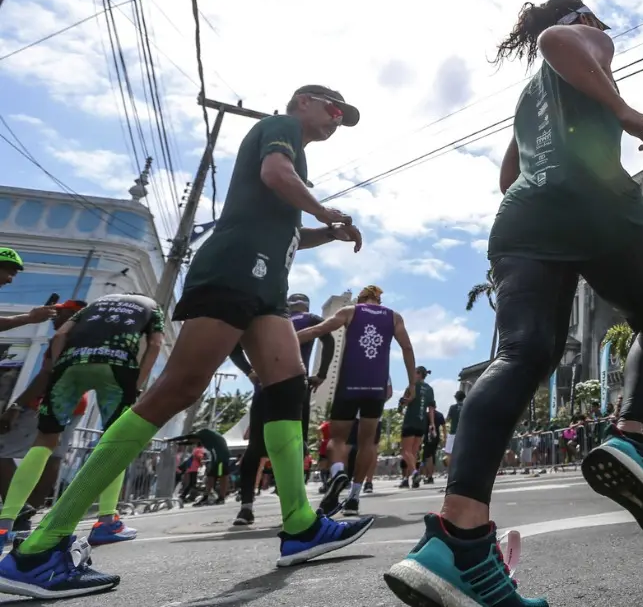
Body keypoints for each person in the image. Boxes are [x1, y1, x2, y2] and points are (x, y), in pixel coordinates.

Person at [384, 0, 643, 607]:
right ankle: (632, 436)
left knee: (524, 355)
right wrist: (626, 111)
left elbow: (509, 177)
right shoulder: (578, 35)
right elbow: (558, 40)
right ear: (587, 16)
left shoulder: (530, 97)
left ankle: (458, 541)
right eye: (599, 23)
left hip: (523, 219)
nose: (603, 32)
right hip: (596, 201)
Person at [0, 86, 373, 599]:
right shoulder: (279, 129)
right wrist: (326, 212)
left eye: (342, 118)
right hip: (235, 271)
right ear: (303, 101)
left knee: (287, 388)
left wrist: (322, 232)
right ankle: (39, 548)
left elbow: (286, 225)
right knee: (178, 388)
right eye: (332, 109)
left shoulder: (297, 164)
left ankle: (301, 524)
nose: (336, 121)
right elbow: (274, 176)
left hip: (266, 287)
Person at [0, 296, 157, 546]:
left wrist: (54, 370)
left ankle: (5, 525)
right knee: (115, 440)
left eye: (61, 311)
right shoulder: (150, 308)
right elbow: (155, 344)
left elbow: (60, 336)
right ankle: (107, 521)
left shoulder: (89, 311)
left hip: (68, 373)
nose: (56, 314)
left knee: (43, 443)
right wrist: (137, 384)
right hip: (115, 370)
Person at [231, 294, 337, 526]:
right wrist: (321, 374)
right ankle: (292, 505)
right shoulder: (310, 319)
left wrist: (250, 372)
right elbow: (329, 341)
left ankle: (246, 507)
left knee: (255, 447)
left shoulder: (267, 320)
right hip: (295, 387)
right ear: (306, 306)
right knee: (295, 444)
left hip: (264, 386)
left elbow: (234, 347)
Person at [321, 286, 414, 517]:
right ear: (379, 300)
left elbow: (323, 329)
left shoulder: (350, 311)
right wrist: (412, 385)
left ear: (361, 298)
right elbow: (407, 348)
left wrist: (294, 335)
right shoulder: (393, 316)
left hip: (349, 384)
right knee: (368, 444)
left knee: (337, 438)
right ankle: (354, 497)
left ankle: (338, 470)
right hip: (376, 387)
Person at [399, 367, 435, 489]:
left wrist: (403, 403)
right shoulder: (430, 389)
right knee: (413, 453)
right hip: (421, 422)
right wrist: (432, 424)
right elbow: (431, 408)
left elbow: (404, 404)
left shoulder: (411, 386)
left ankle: (414, 473)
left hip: (410, 420)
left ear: (418, 374)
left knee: (405, 451)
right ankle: (408, 480)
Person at [419, 403, 447, 486]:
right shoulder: (439, 415)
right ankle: (429, 475)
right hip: (436, 437)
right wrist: (445, 438)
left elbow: (423, 428)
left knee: (428, 457)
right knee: (432, 455)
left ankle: (429, 476)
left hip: (428, 437)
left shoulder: (426, 415)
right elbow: (444, 427)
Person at [442, 390, 464, 472]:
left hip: (453, 432)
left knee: (448, 453)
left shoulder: (452, 407)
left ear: (455, 398)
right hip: (464, 433)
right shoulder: (466, 405)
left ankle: (451, 470)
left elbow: (447, 419)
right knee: (463, 452)